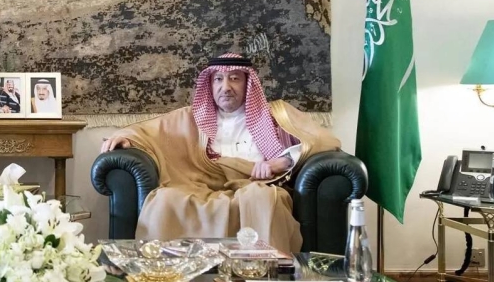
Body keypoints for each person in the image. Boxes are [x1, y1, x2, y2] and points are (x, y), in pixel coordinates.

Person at [99, 53, 340, 252]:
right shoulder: (189, 118)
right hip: (198, 185)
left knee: (264, 199)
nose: (226, 87)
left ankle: (263, 275)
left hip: (255, 185)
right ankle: (168, 276)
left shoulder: (277, 114)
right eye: (218, 79)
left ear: (248, 83)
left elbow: (325, 141)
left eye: (234, 79)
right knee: (164, 200)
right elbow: (147, 131)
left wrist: (282, 161)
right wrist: (126, 137)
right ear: (210, 84)